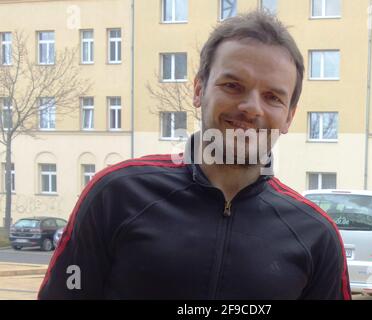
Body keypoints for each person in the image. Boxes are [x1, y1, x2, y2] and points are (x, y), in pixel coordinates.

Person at [38, 11, 351, 300]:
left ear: (289, 117)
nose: (252, 107)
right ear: (199, 90)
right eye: (233, 85)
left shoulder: (317, 237)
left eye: (272, 97)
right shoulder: (116, 195)